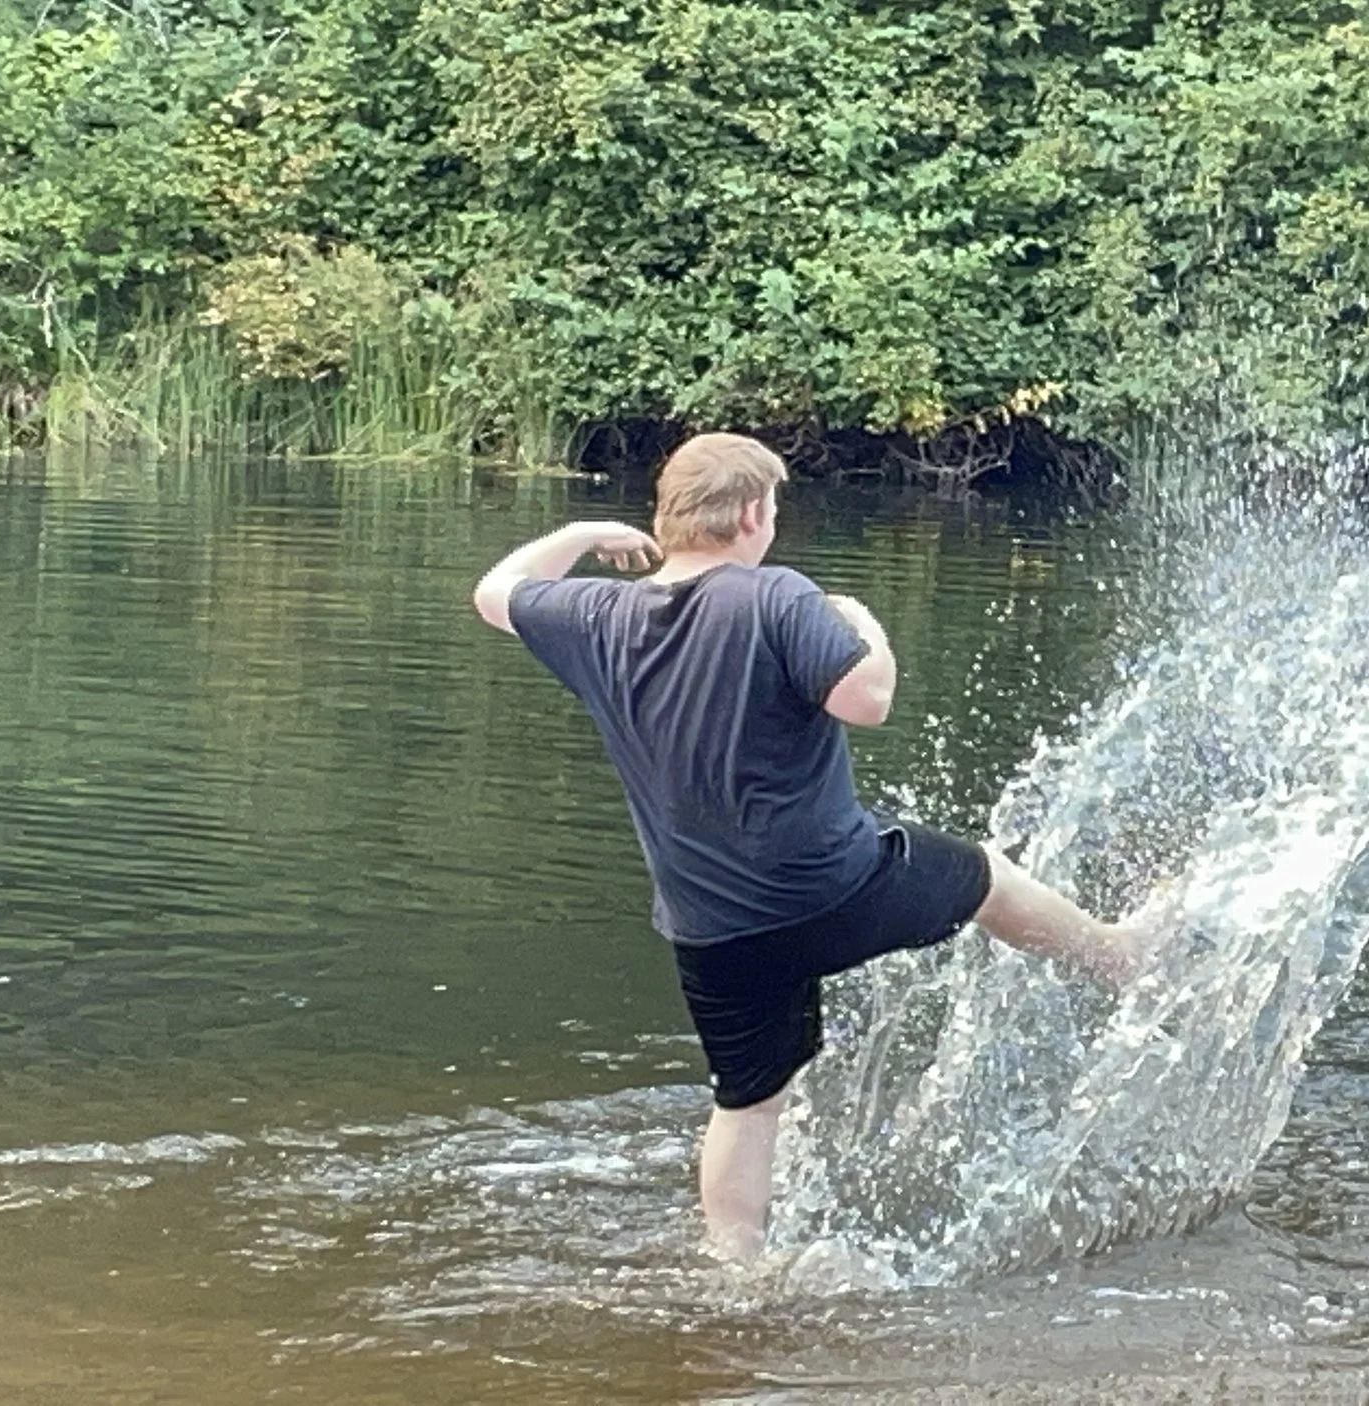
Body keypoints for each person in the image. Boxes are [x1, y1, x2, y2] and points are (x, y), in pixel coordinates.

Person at [471, 432, 1156, 1259]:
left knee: (747, 1103)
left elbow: (496, 591)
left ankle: (737, 1274)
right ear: (755, 514)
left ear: (669, 516)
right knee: (988, 880)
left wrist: (583, 536)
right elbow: (866, 699)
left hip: (713, 929)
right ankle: (1115, 958)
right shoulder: (776, 596)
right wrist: (867, 629)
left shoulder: (598, 615)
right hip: (834, 890)